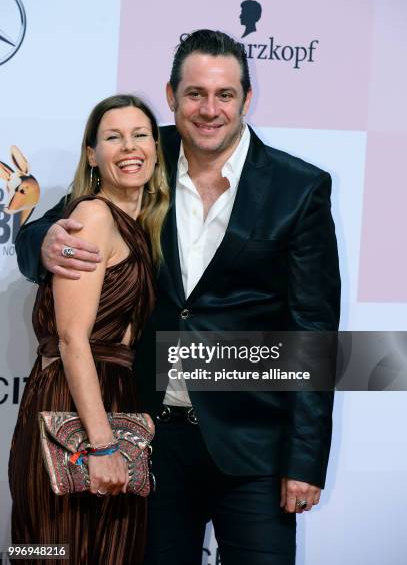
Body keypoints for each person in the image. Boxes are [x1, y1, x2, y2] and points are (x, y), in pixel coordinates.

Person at [15, 30, 340, 565]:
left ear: (247, 99)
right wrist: (41, 242)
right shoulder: (140, 151)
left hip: (253, 448)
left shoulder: (298, 187)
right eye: (195, 94)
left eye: (225, 95)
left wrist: (305, 459)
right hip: (146, 439)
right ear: (171, 96)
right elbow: (49, 233)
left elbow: (312, 331)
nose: (209, 110)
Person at [9, 94, 169, 564]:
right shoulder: (93, 216)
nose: (129, 147)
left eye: (140, 134)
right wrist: (102, 445)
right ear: (91, 154)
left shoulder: (147, 221)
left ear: (157, 148)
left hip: (118, 400)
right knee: (58, 551)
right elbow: (72, 339)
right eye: (113, 137)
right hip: (73, 408)